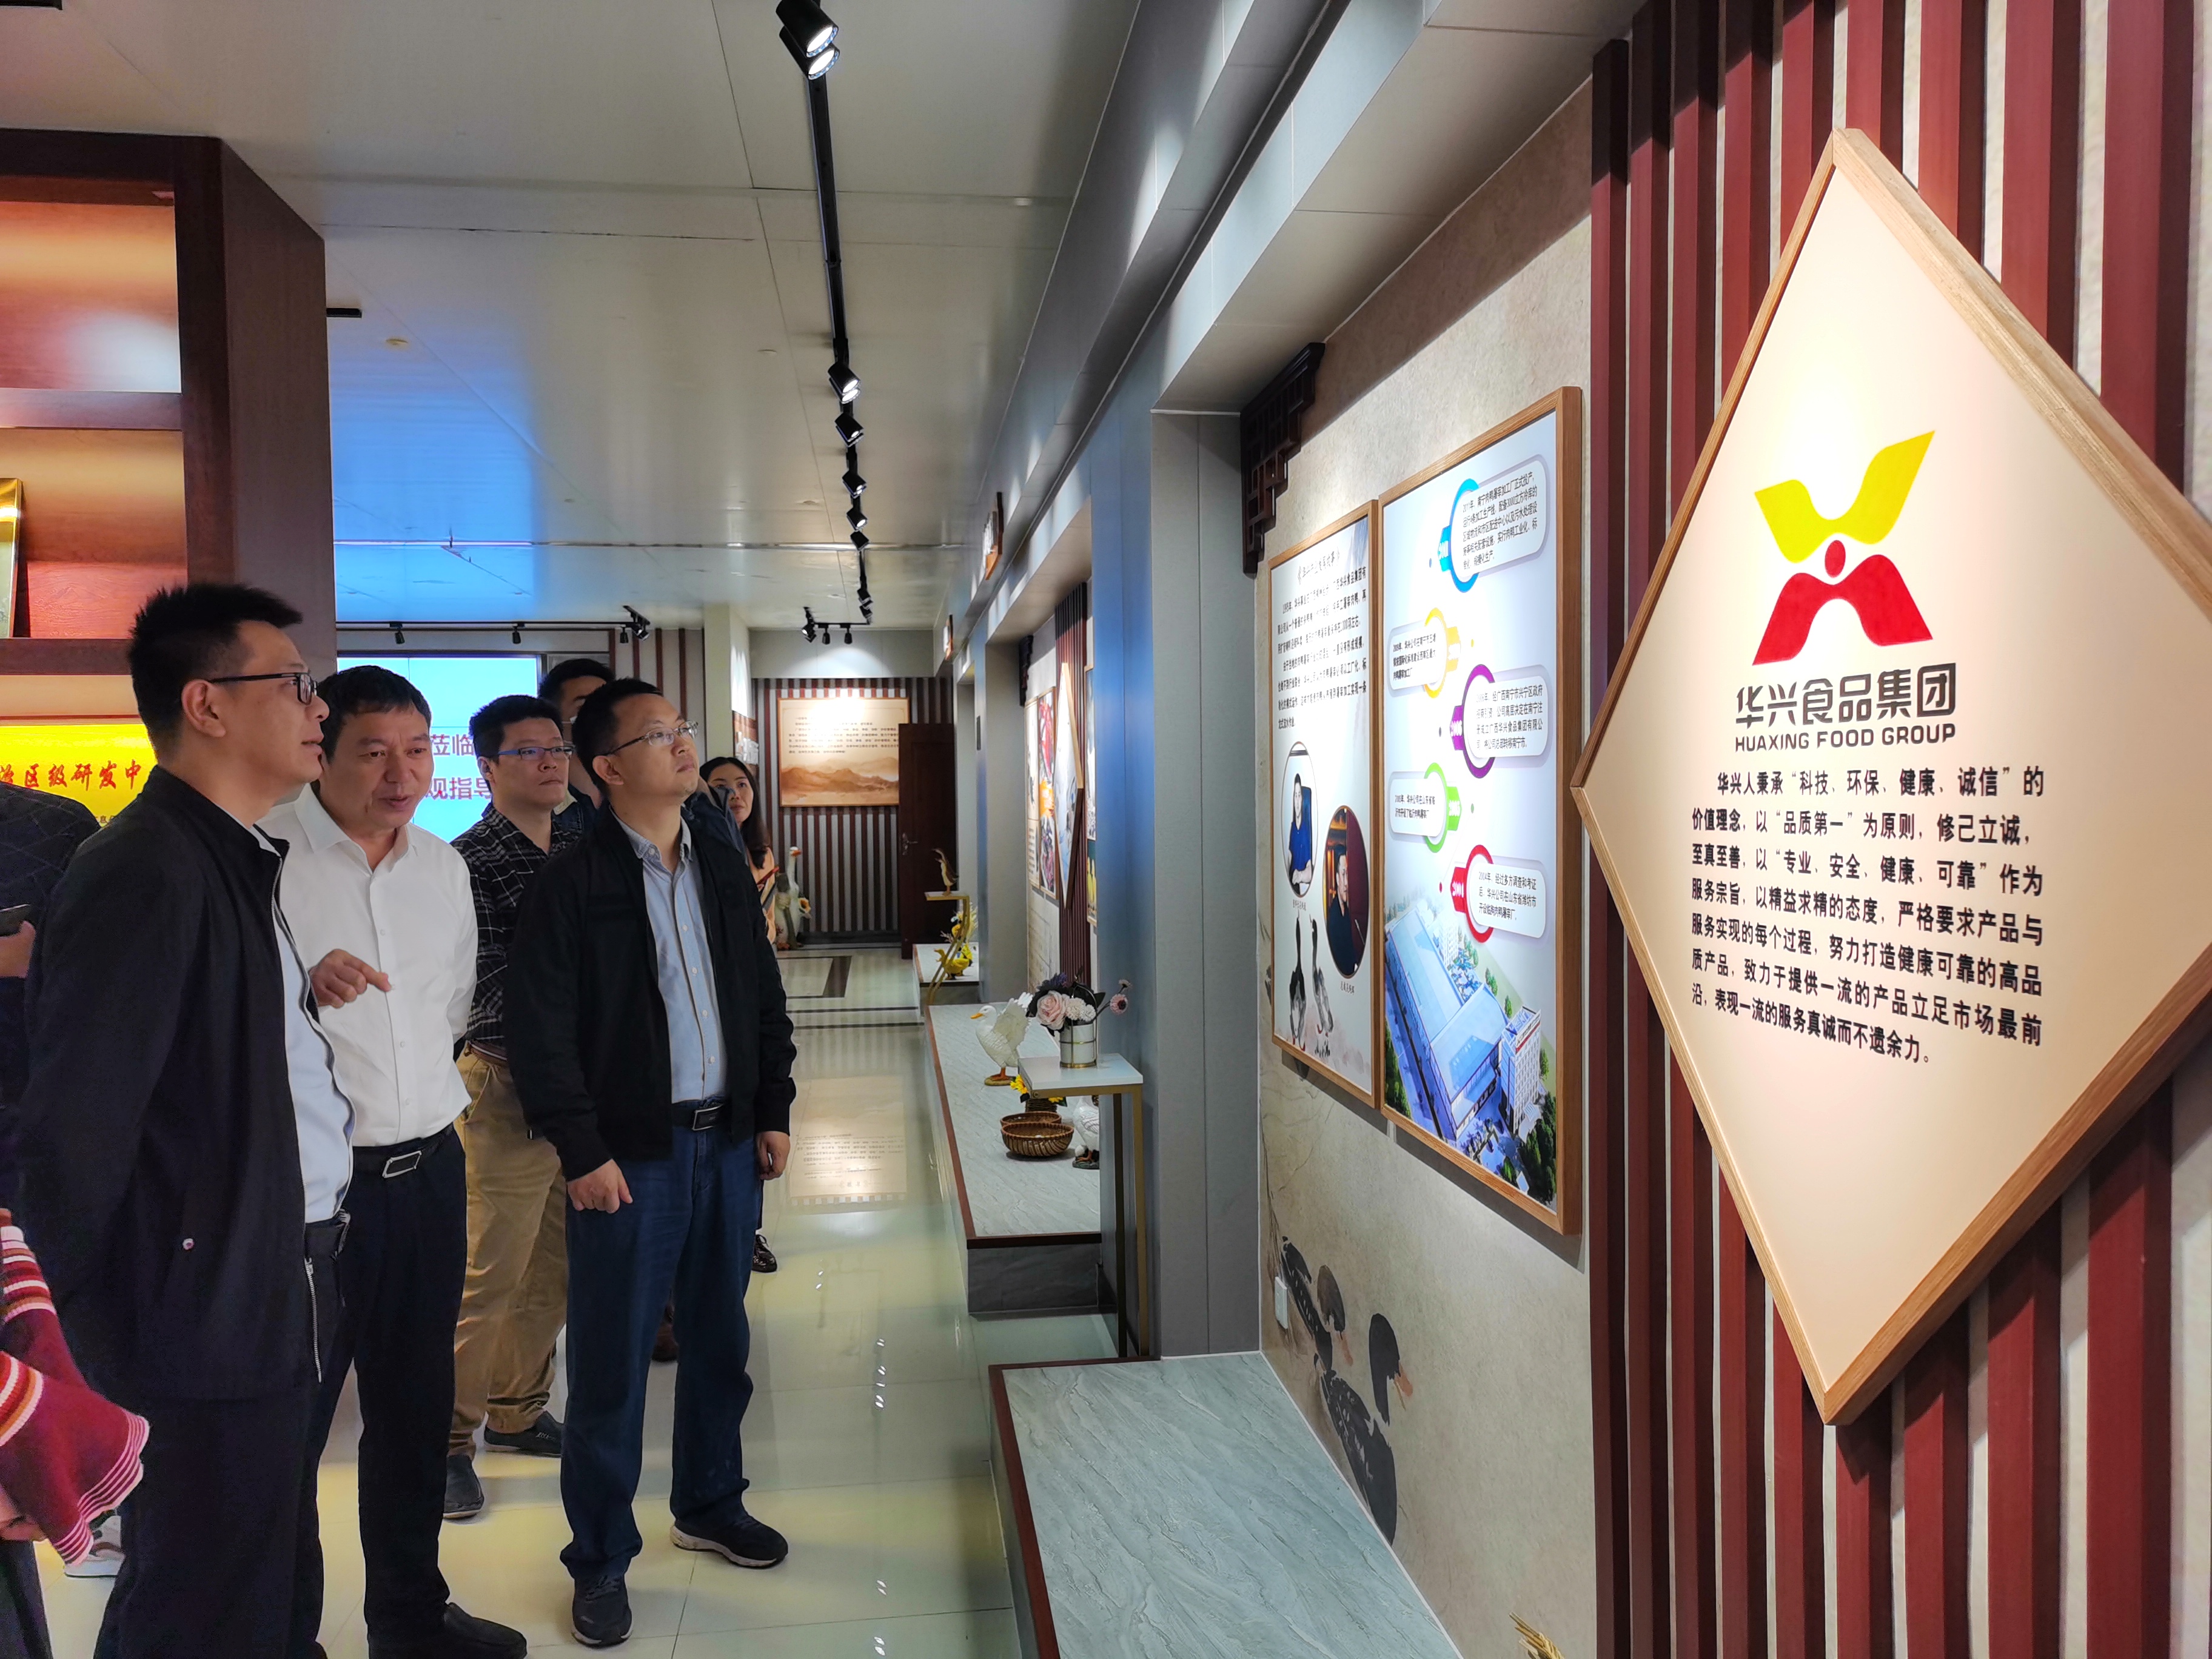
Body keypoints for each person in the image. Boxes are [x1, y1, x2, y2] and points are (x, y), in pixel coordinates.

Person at [16, 584, 347, 1658]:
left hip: (259, 1280)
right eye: (293, 685)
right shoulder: (147, 868)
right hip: (195, 1315)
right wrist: (62, 1354)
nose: (319, 708)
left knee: (260, 1570)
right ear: (207, 704)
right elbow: (77, 1129)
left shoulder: (228, 854)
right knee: (200, 1597)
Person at [506, 680, 796, 1649]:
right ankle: (599, 1559)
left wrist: (772, 1108)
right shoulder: (573, 882)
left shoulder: (718, 863)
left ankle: (710, 1502)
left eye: (682, 728)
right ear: (608, 768)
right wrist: (582, 1150)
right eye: (658, 734)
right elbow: (541, 1032)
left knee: (719, 1341)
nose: (681, 744)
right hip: (632, 1157)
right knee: (613, 1367)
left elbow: (761, 993)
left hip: (728, 1145)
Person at [262, 666, 523, 1659]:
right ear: (320, 750)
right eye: (373, 752)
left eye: (417, 751)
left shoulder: (440, 867)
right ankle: (284, 1634)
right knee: (292, 1429)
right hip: (313, 1197)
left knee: (413, 1410)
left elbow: (448, 1007)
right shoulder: (265, 857)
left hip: (429, 1173)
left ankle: (410, 1620)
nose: (401, 774)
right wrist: (300, 989)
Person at [446, 695, 580, 1521]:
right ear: (488, 768)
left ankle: (518, 1409)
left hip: (579, 1090)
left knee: (553, 1266)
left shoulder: (582, 845)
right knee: (487, 1273)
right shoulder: (468, 861)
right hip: (505, 1084)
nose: (550, 762)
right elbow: (488, 993)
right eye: (528, 752)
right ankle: (446, 1442)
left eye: (556, 747)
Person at [539, 659, 610, 836]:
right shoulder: (538, 802)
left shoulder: (634, 790)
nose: (599, 716)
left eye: (607, 705)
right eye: (585, 706)